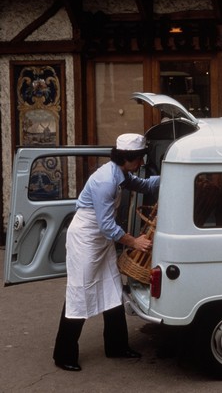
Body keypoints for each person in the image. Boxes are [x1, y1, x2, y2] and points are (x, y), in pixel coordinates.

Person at [53, 133, 160, 372]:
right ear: (128, 158)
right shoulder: (106, 181)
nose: (141, 163)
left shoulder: (120, 173)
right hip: (87, 239)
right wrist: (134, 242)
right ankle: (63, 354)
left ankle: (116, 347)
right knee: (79, 294)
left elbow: (145, 185)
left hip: (101, 239)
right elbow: (106, 225)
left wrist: (173, 176)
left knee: (112, 290)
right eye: (139, 159)